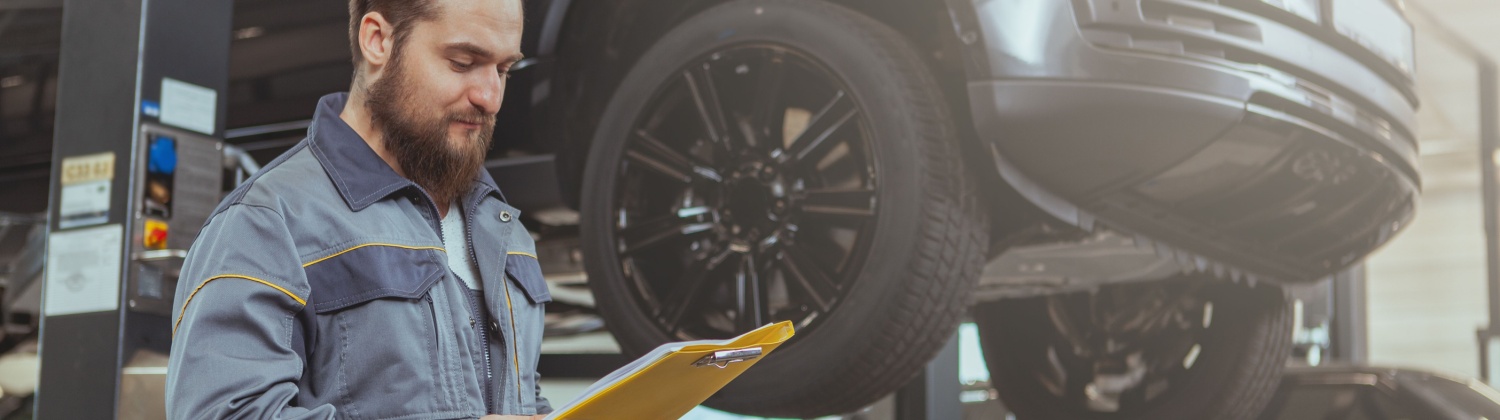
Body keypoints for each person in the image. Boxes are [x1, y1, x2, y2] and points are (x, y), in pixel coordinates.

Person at [165, 0, 550, 418]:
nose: (490, 97)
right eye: (462, 62)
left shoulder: (506, 231)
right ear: (378, 40)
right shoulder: (267, 224)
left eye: (503, 70)